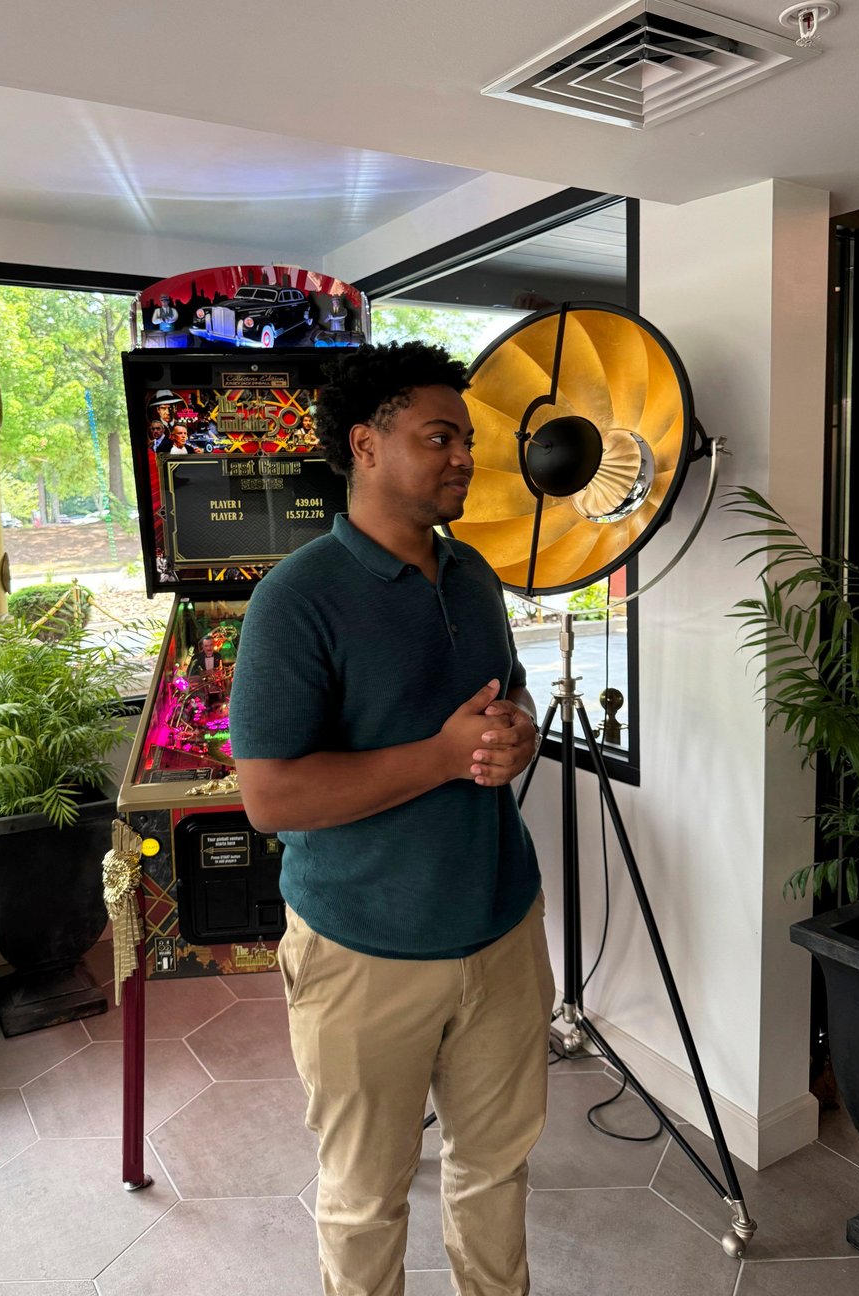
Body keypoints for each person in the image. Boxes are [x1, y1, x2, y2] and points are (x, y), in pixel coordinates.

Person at [229, 341, 553, 1296]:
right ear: (366, 446)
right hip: (363, 950)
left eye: (466, 438)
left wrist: (516, 735)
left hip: (501, 926)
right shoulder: (297, 600)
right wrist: (447, 755)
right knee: (367, 1197)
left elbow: (511, 700)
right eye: (438, 436)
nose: (463, 456)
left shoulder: (474, 575)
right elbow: (270, 797)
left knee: (497, 1171)